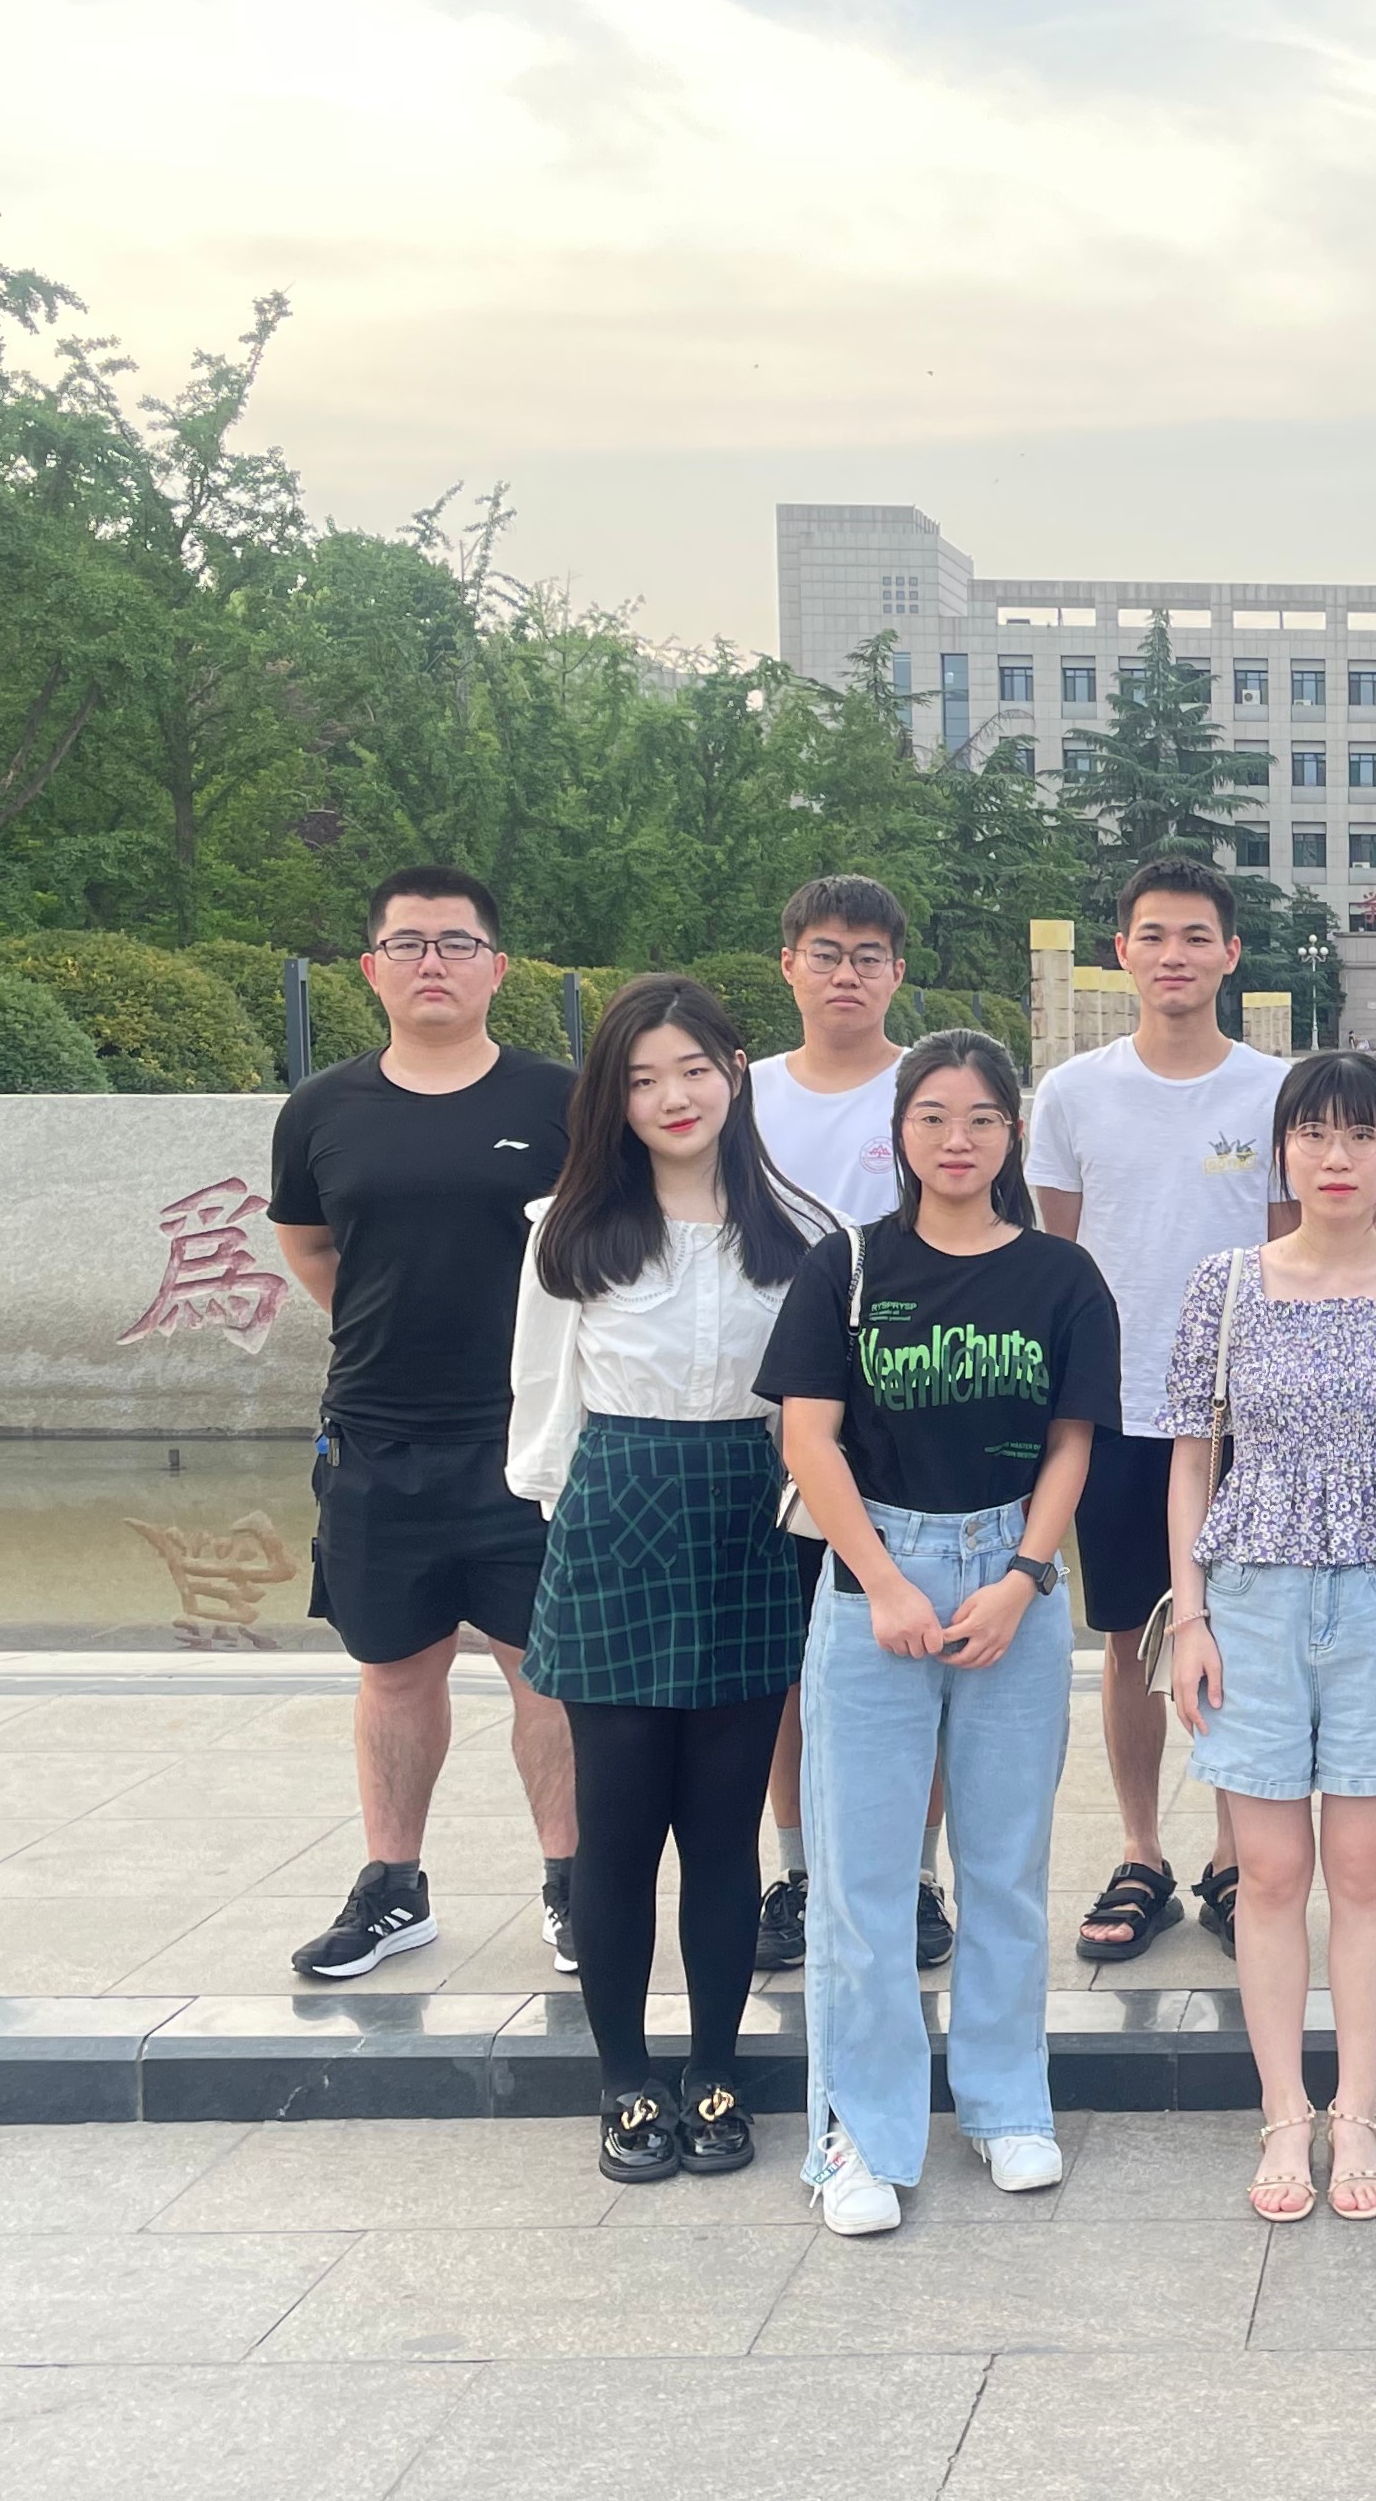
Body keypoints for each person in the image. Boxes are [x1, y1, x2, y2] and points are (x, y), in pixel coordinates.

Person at [760, 1029, 1120, 2237]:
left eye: (980, 1119)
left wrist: (1023, 1577)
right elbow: (807, 1437)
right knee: (861, 1879)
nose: (956, 1140)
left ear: (1013, 1135)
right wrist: (882, 1583)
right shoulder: (849, 1265)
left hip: (1012, 1571)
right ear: (900, 1132)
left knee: (1006, 1868)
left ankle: (1007, 2105)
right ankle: (858, 2135)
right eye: (932, 1117)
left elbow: (1072, 1442)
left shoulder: (1062, 1276)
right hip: (879, 1571)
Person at [1162, 1054, 1376, 2221]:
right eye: (1313, 1134)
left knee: (1361, 1873)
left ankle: (1356, 2109)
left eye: (1361, 1135)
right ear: (1282, 1152)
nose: (1336, 1157)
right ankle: (1282, 2111)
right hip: (1251, 1600)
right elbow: (1191, 1459)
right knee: (1266, 1875)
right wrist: (1190, 1617)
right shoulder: (1226, 1285)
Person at [509, 975, 825, 2182]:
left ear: (734, 1073)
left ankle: (715, 2072)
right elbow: (543, 1404)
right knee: (620, 1828)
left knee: (724, 1831)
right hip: (614, 1516)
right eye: (642, 1080)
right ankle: (624, 2081)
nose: (672, 1097)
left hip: (750, 1518)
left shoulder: (801, 1232)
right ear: (614, 1097)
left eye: (693, 1069)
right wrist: (569, 1536)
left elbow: (818, 1413)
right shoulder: (569, 1229)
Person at [270, 867, 580, 1982]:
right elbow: (311, 1247)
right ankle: (393, 1887)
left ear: (498, 966)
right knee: (396, 1670)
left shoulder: (561, 1101)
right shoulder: (322, 1110)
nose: (432, 962)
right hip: (376, 1438)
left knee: (546, 1673)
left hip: (527, 1444)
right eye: (408, 944)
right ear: (372, 969)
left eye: (457, 942)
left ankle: (573, 1885)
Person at [1025, 859, 1289, 1963]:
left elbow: (1289, 1256)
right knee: (1131, 1637)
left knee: (1244, 1633)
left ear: (1231, 953)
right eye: (1152, 935)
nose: (1173, 955)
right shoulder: (1072, 1093)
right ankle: (1143, 1851)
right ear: (1122, 952)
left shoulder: (1276, 1091)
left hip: (1248, 1417)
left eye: (1194, 936)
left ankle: (1234, 1856)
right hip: (1123, 1408)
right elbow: (1056, 1255)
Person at [743, 875, 951, 1980]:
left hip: (905, 1412)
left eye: (869, 956)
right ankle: (798, 1869)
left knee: (916, 1652)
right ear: (788, 965)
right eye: (825, 952)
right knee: (790, 1664)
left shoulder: (929, 1093)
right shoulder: (741, 1096)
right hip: (767, 1412)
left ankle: (914, 1877)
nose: (846, 974)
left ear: (896, 973)